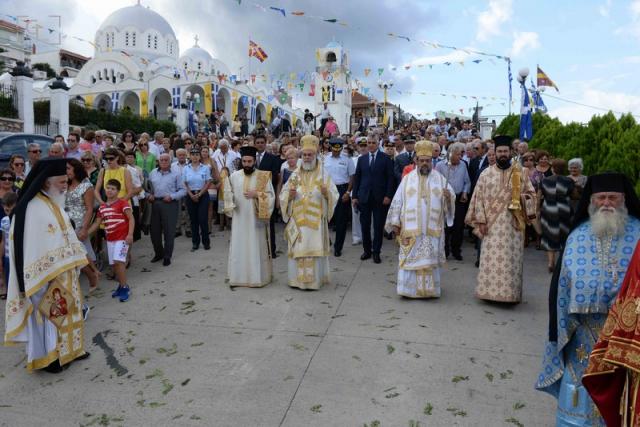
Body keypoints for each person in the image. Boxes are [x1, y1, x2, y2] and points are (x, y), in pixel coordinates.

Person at [536, 172, 640, 426]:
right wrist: (559, 331)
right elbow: (560, 289)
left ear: (624, 200)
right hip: (583, 334)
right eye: (601, 197)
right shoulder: (577, 236)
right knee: (578, 391)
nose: (606, 203)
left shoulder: (638, 233)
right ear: (591, 201)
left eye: (612, 198)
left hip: (626, 339)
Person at [4, 158, 90, 373]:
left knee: (68, 313)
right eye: (61, 181)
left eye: (66, 180)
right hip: (45, 277)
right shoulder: (31, 208)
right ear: (45, 182)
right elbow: (30, 247)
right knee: (49, 318)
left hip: (64, 273)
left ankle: (72, 350)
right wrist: (48, 272)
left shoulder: (54, 201)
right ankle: (50, 359)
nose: (65, 185)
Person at [465, 135, 535, 303]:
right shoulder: (486, 174)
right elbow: (477, 198)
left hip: (513, 226)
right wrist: (480, 220)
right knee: (490, 261)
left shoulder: (521, 173)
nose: (502, 154)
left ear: (511, 152)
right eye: (499, 151)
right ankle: (488, 293)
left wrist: (521, 198)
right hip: (491, 226)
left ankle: (510, 294)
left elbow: (532, 195)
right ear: (494, 153)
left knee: (511, 262)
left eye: (505, 151)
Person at [384, 140, 455, 298]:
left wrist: (449, 197)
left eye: (427, 161)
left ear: (431, 162)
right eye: (421, 160)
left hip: (431, 230)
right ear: (416, 160)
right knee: (410, 259)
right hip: (411, 230)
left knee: (429, 260)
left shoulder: (440, 178)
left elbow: (450, 201)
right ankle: (408, 290)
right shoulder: (407, 179)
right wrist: (395, 222)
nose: (424, 163)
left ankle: (429, 291)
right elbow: (398, 201)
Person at [279, 135, 338, 290]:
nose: (306, 157)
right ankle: (296, 280)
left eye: (309, 154)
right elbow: (284, 194)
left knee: (313, 248)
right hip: (298, 219)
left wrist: (327, 194)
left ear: (315, 154)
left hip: (315, 221)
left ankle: (315, 281)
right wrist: (289, 197)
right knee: (298, 249)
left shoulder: (323, 174)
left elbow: (334, 194)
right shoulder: (295, 174)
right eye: (304, 155)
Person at [222, 146, 275, 287]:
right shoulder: (234, 176)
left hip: (255, 220)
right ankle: (238, 277)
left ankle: (256, 277)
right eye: (244, 161)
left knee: (255, 246)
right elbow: (229, 196)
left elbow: (271, 196)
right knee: (240, 246)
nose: (246, 164)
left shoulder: (262, 177)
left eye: (249, 161)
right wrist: (229, 198)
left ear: (254, 161)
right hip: (239, 219)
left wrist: (257, 194)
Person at [88, 179, 134, 302]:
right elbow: (97, 224)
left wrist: (130, 234)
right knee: (114, 265)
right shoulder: (102, 208)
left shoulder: (123, 203)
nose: (109, 190)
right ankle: (120, 286)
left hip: (122, 238)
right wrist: (86, 234)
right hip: (110, 239)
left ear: (118, 191)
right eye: (108, 188)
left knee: (119, 262)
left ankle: (125, 288)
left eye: (113, 189)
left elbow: (131, 219)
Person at [352, 134, 395, 264]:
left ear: (378, 144)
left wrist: (388, 195)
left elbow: (390, 179)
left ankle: (376, 252)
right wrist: (354, 196)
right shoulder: (362, 159)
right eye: (368, 142)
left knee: (377, 227)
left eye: (373, 143)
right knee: (365, 226)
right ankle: (367, 251)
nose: (370, 145)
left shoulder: (386, 159)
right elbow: (357, 179)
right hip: (364, 197)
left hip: (380, 198)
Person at [65, 159, 99, 292]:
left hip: (79, 223)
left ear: (76, 169)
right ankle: (93, 274)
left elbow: (90, 208)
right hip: (65, 222)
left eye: (68, 168)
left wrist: (85, 228)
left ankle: (92, 275)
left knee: (77, 252)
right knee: (74, 253)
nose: (66, 171)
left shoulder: (86, 186)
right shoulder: (64, 184)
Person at [147, 153, 186, 266]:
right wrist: (148, 195)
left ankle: (167, 256)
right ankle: (159, 253)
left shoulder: (177, 174)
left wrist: (172, 196)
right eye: (161, 160)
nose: (163, 162)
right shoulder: (153, 173)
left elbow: (183, 190)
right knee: (154, 232)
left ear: (170, 161)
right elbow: (147, 188)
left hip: (170, 204)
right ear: (158, 161)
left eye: (166, 160)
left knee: (169, 232)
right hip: (154, 203)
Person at [435, 142, 470, 260]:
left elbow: (467, 181)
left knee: (458, 226)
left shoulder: (463, 165)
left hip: (459, 199)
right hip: (445, 200)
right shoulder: (440, 166)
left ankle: (456, 250)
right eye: (458, 154)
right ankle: (444, 250)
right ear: (450, 154)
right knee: (445, 226)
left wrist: (465, 192)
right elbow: (435, 183)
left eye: (461, 154)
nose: (460, 157)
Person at [540, 159, 574, 272]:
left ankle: (550, 262)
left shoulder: (545, 180)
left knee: (549, 235)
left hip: (548, 209)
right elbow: (573, 195)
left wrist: (536, 210)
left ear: (553, 168)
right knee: (564, 235)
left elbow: (539, 195)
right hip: (564, 208)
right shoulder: (568, 181)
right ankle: (562, 263)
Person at [324, 137, 355, 257]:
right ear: (331, 147)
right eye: (334, 148)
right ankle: (327, 241)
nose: (336, 151)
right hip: (328, 189)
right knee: (325, 218)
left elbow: (352, 177)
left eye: (339, 148)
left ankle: (338, 247)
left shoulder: (347, 160)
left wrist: (348, 192)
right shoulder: (325, 160)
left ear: (341, 148)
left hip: (342, 189)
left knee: (341, 221)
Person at [255, 132, 281, 258]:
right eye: (258, 143)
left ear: (265, 144)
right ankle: (257, 249)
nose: (260, 145)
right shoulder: (251, 157)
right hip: (253, 195)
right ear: (255, 144)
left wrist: (264, 182)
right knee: (255, 222)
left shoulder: (272, 158)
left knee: (268, 223)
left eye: (262, 143)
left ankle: (271, 250)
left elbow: (275, 176)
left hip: (266, 194)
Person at [183, 148, 212, 251]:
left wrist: (199, 194)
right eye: (192, 154)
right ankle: (195, 243)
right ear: (189, 156)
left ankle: (206, 242)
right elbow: (184, 183)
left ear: (200, 156)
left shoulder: (205, 168)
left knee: (203, 219)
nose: (195, 157)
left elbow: (208, 182)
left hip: (203, 195)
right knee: (193, 220)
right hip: (190, 195)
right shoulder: (186, 168)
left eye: (197, 154)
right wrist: (191, 195)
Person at [0, 192, 16, 299]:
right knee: (7, 275)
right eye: (6, 210)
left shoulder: (20, 219)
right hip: (7, 255)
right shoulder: (4, 221)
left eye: (11, 210)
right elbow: (3, 239)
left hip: (17, 255)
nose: (9, 212)